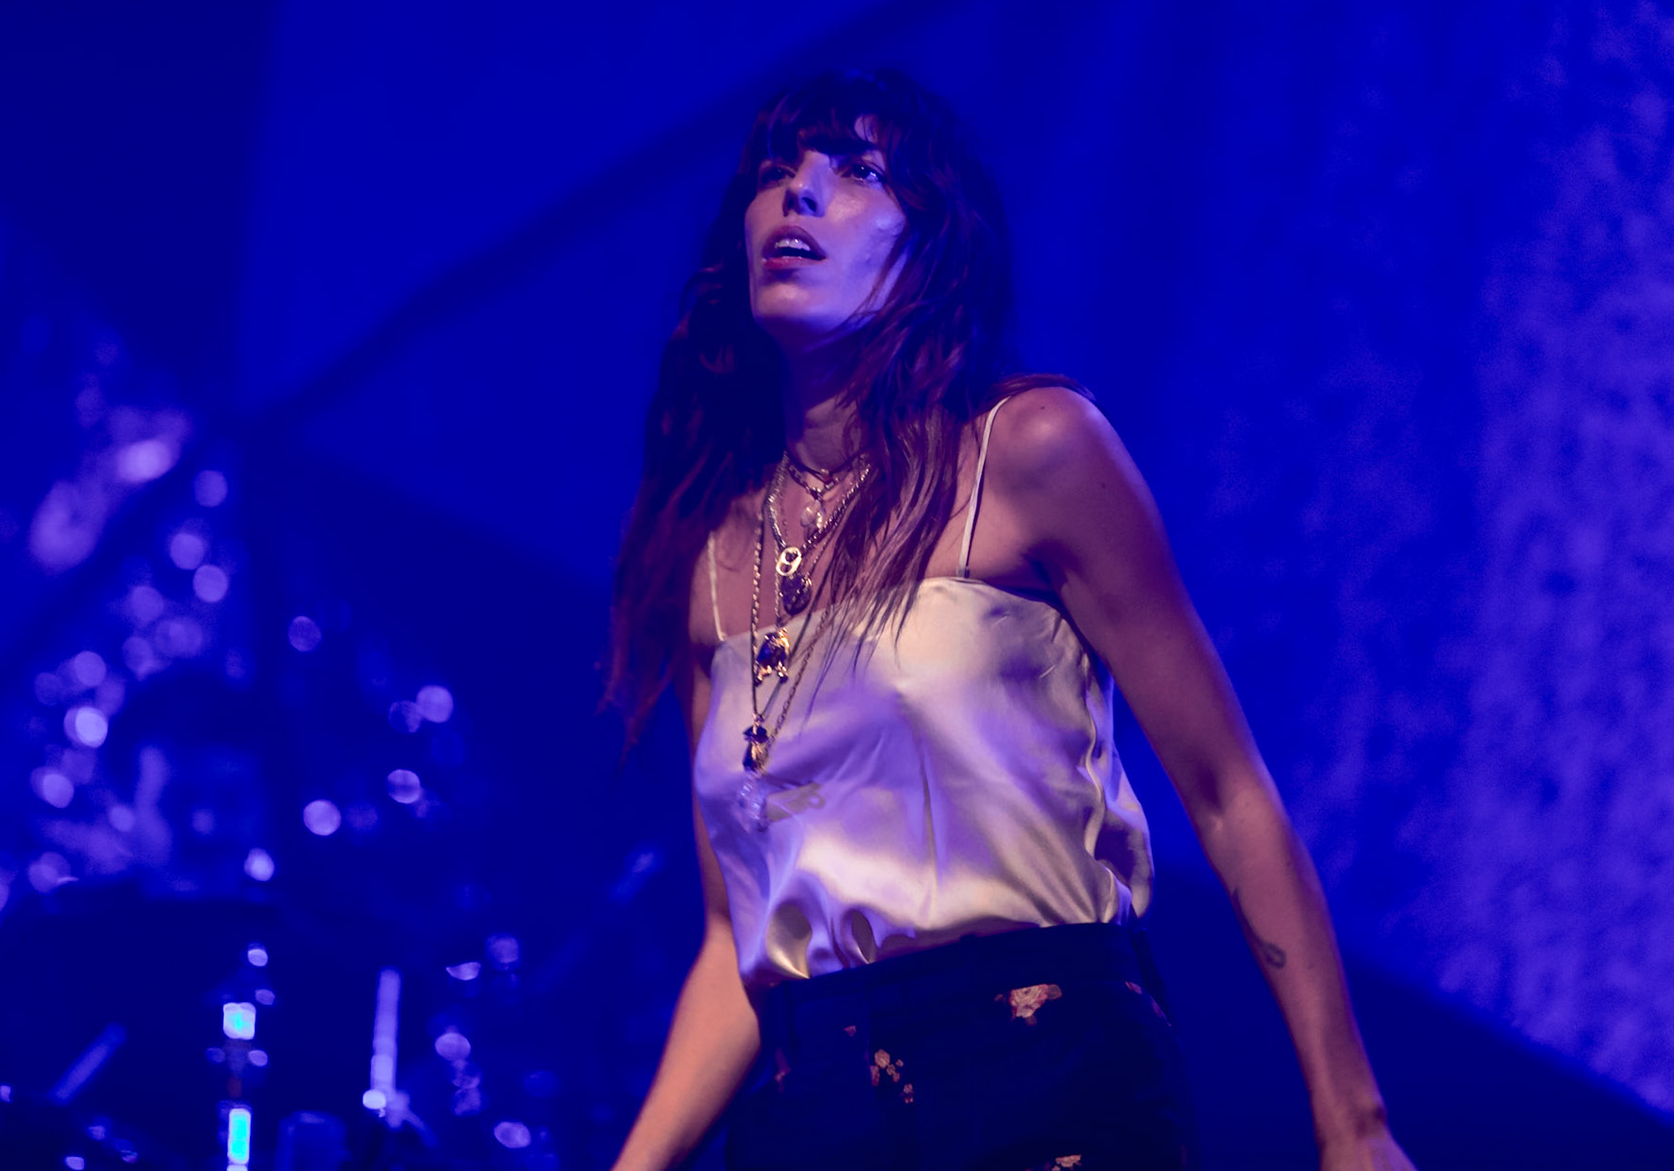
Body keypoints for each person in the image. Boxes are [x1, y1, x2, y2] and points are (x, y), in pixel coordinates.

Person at [605, 68, 1414, 1171]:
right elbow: (731, 945)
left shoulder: (1030, 450)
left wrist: (1352, 1121)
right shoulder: (711, 561)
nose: (797, 197)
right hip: (810, 1112)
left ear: (930, 244)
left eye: (856, 171)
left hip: (1042, 1076)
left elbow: (1227, 792)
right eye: (774, 173)